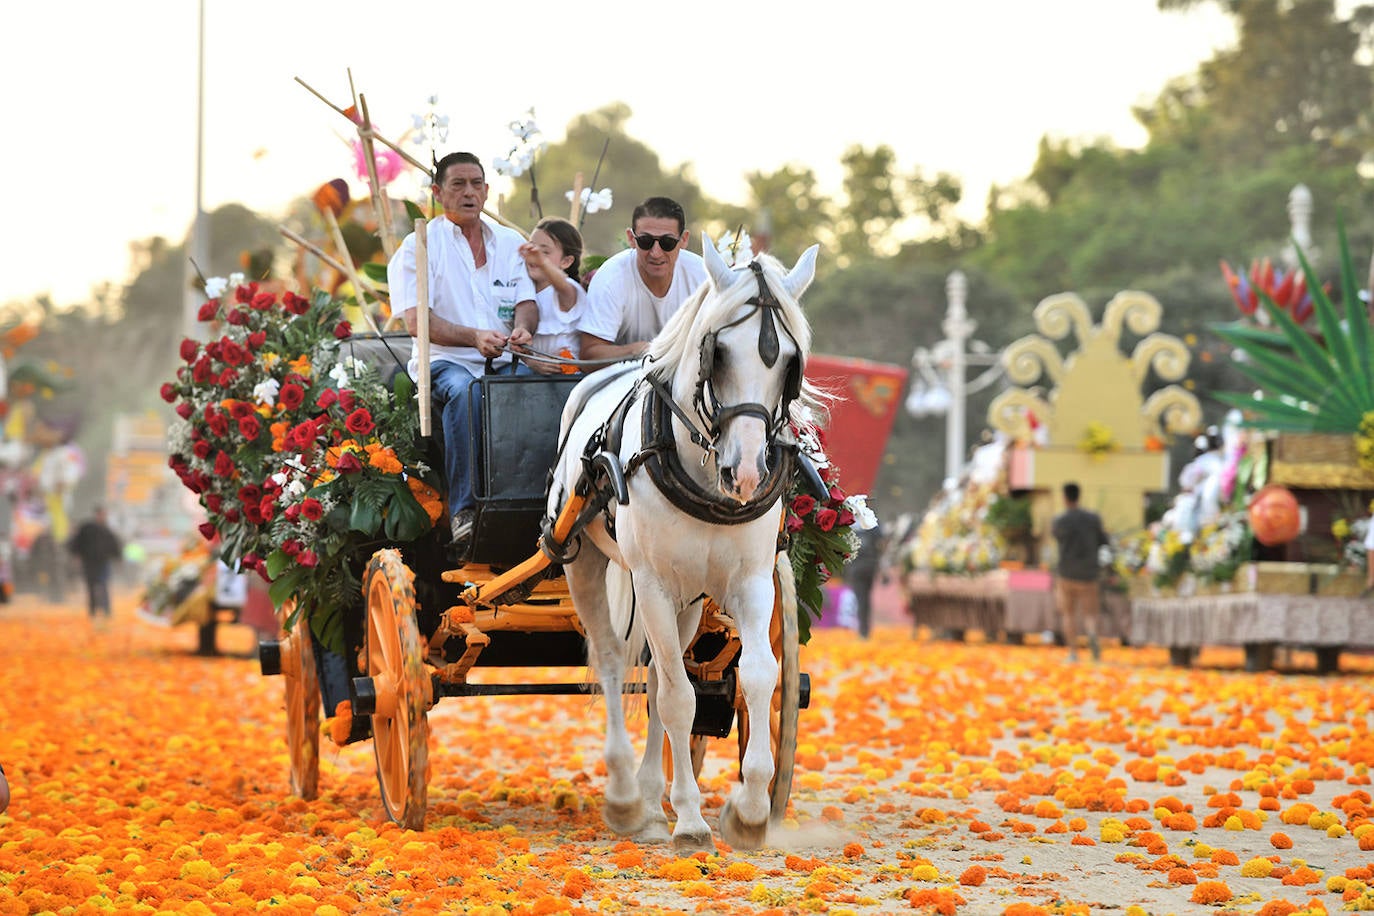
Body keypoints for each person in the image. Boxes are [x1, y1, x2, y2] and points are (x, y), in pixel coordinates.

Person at [386, 152, 538, 552]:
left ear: (487, 191)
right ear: (437, 193)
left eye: (476, 184)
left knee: (541, 391)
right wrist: (472, 337)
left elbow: (527, 301)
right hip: (443, 362)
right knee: (468, 391)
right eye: (458, 184)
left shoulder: (509, 242)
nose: (469, 192)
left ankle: (542, 503)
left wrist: (523, 328)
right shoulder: (417, 245)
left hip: (504, 361)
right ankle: (465, 511)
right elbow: (417, 322)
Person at [579, 197, 708, 363]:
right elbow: (590, 354)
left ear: (683, 240)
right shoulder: (611, 278)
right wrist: (639, 350)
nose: (656, 252)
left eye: (667, 242)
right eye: (645, 241)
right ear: (631, 238)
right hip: (622, 381)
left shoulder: (702, 276)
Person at [519, 217, 587, 375]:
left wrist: (542, 263)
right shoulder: (523, 288)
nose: (534, 256)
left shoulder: (568, 290)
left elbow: (562, 285)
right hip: (532, 377)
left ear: (566, 261)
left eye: (545, 252)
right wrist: (531, 361)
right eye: (532, 248)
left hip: (566, 379)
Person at [1051, 482, 1110, 662]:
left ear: (1065, 497)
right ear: (1079, 495)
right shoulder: (1093, 518)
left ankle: (1073, 652)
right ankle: (1092, 634)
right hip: (1089, 573)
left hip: (1066, 573)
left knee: (1068, 614)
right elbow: (1104, 540)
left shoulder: (1060, 520)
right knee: (1090, 613)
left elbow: (1057, 538)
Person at [68, 505, 122, 622]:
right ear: (96, 515)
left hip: (103, 562)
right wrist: (76, 556)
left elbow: (114, 545)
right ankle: (92, 610)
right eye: (102, 514)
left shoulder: (107, 530)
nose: (103, 517)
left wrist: (117, 558)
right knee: (91, 586)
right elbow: (77, 542)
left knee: (103, 585)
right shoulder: (87, 528)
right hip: (89, 562)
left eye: (105, 515)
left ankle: (106, 610)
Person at [846, 523, 886, 639]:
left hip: (856, 566)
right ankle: (865, 629)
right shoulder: (872, 523)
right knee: (866, 598)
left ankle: (863, 630)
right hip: (870, 565)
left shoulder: (851, 524)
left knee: (861, 598)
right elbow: (881, 544)